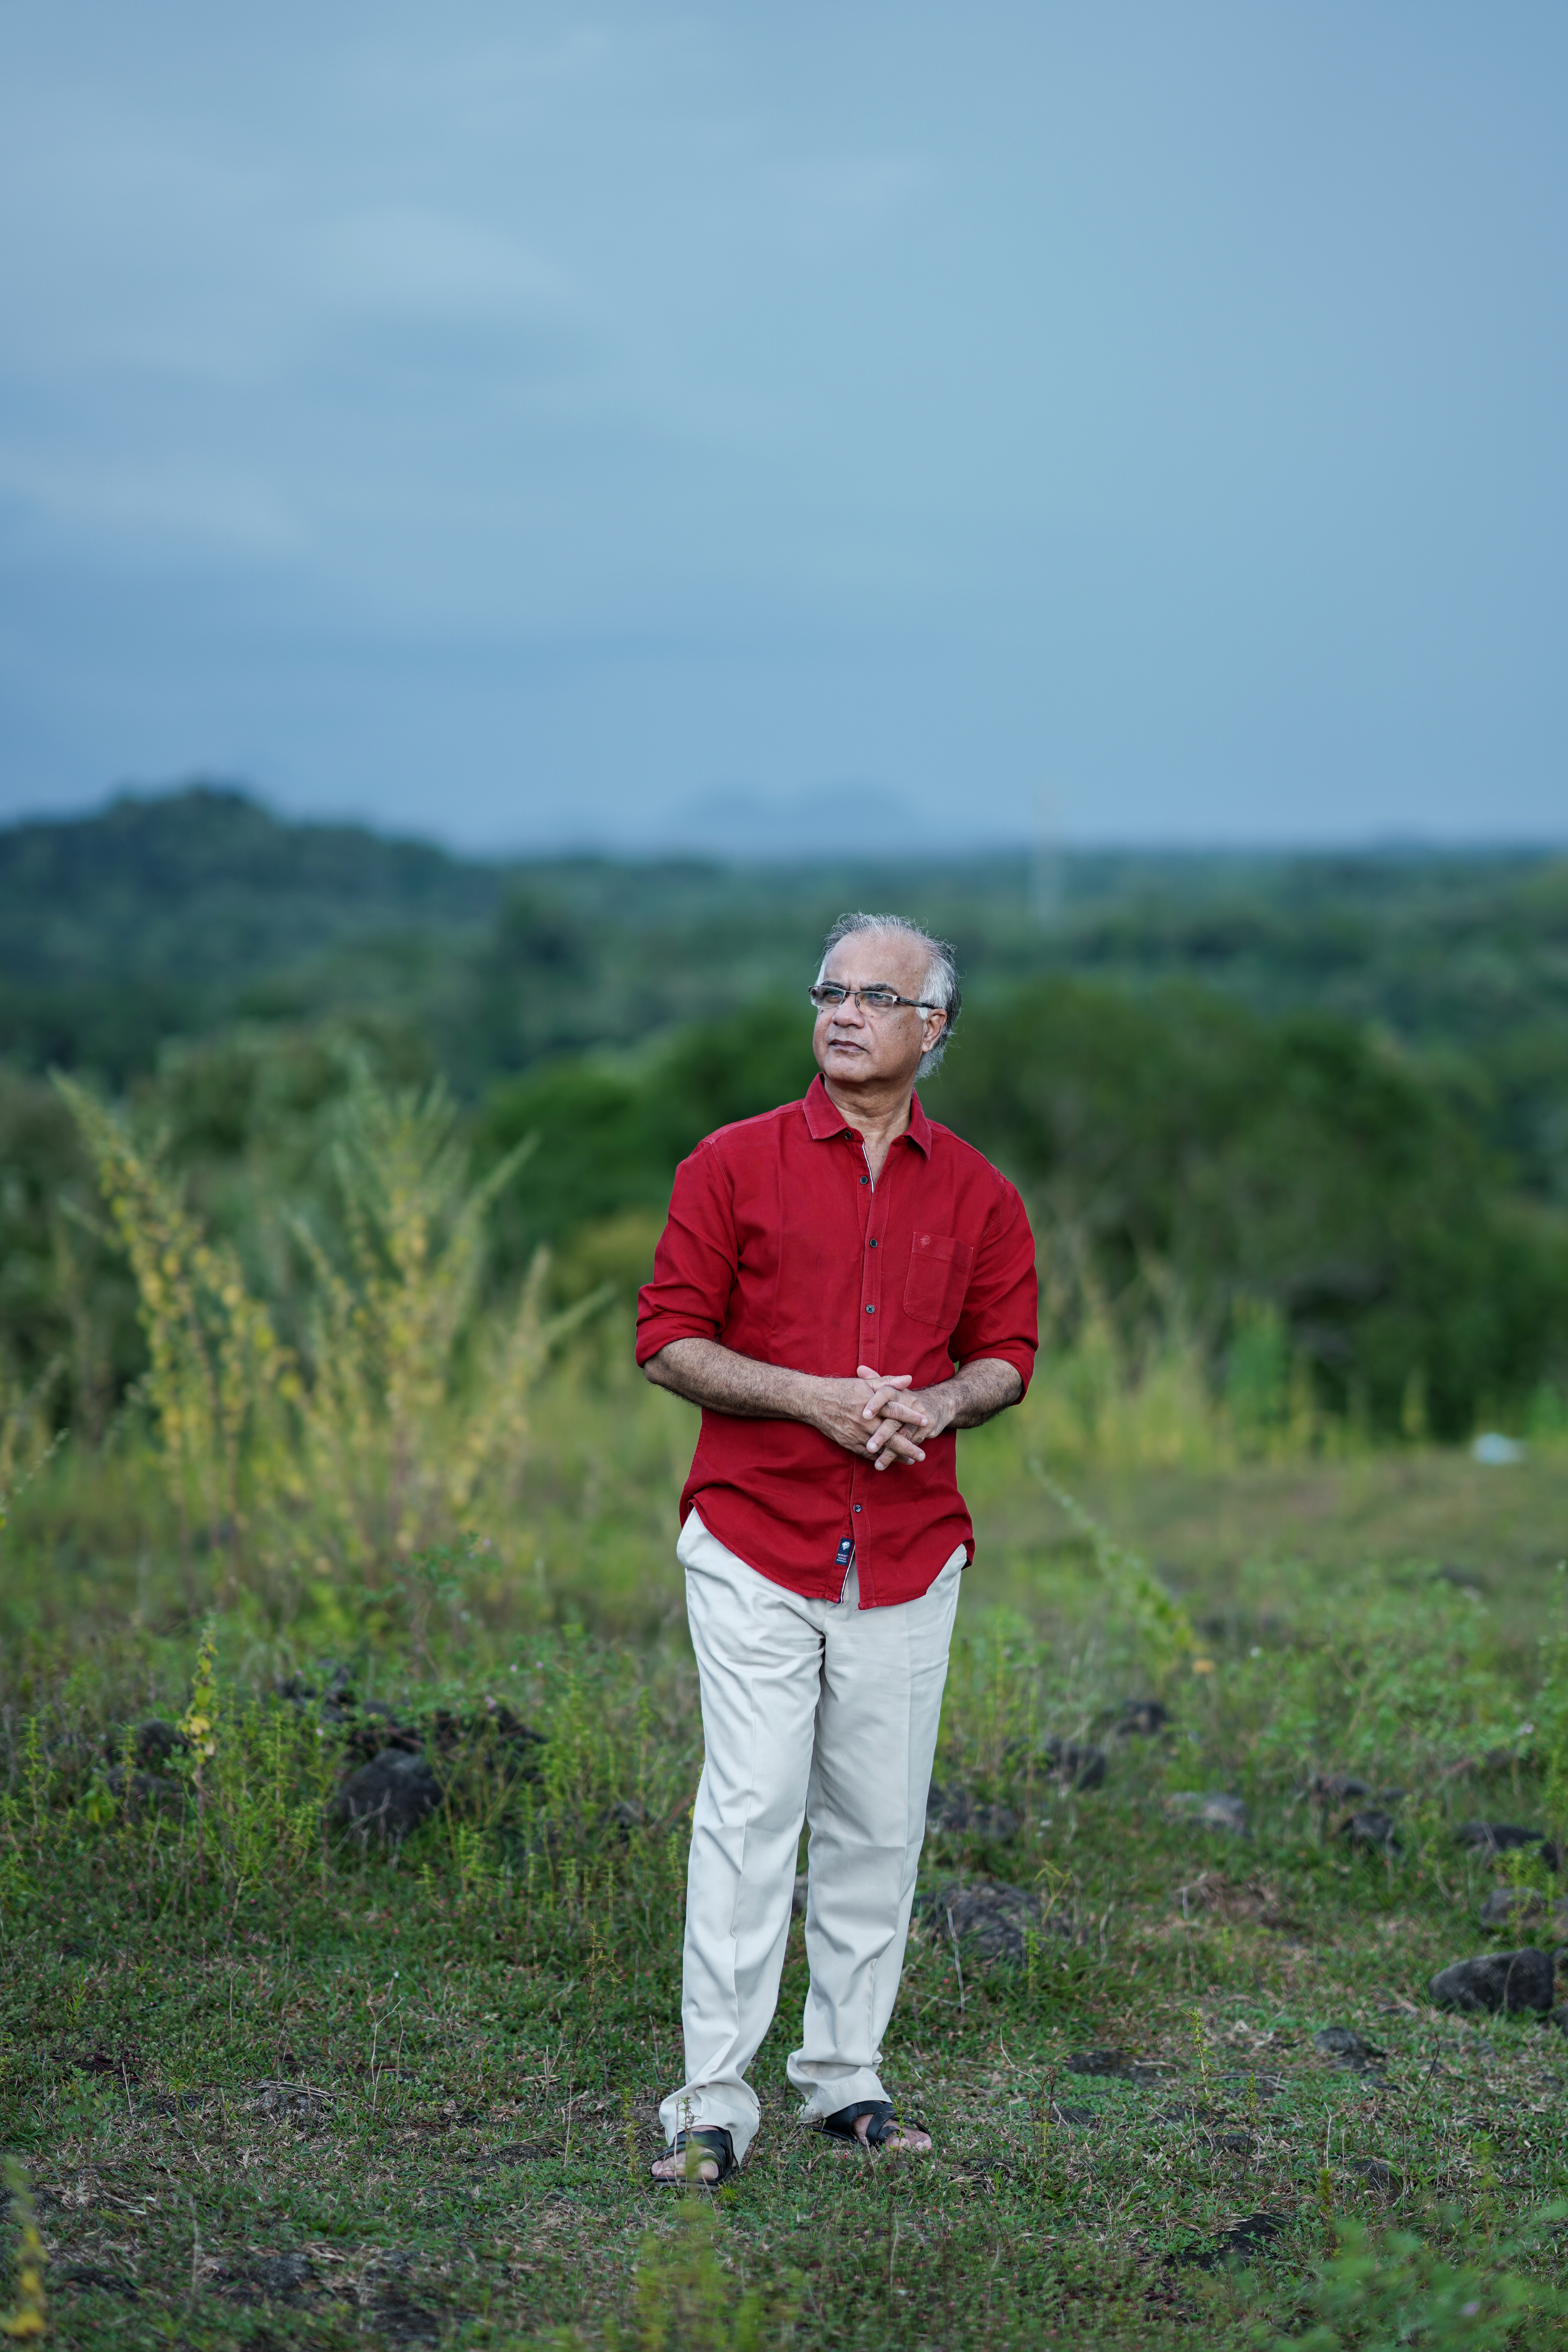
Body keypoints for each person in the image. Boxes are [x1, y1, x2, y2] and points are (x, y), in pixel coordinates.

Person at [635, 911, 1038, 2184]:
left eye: (878, 996)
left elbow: (1006, 1356)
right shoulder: (730, 1165)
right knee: (751, 1811)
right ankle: (710, 2101)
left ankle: (842, 2082)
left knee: (876, 1825)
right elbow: (666, 1341)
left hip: (912, 1549)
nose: (844, 1012)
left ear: (936, 1031)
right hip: (755, 1535)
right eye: (830, 991)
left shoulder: (979, 1192)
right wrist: (813, 1394)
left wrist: (938, 1403)